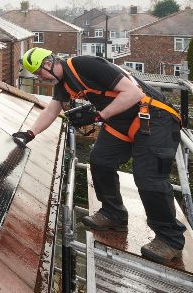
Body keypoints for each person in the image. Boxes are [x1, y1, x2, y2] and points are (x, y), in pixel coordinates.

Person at [13, 47, 185, 264]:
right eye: (36, 76)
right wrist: (30, 134)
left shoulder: (86, 65)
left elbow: (134, 94)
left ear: (49, 62)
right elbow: (51, 110)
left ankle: (169, 240)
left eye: (40, 73)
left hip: (154, 117)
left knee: (148, 178)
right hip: (120, 122)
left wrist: (98, 116)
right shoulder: (63, 84)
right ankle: (114, 215)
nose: (41, 78)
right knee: (100, 160)